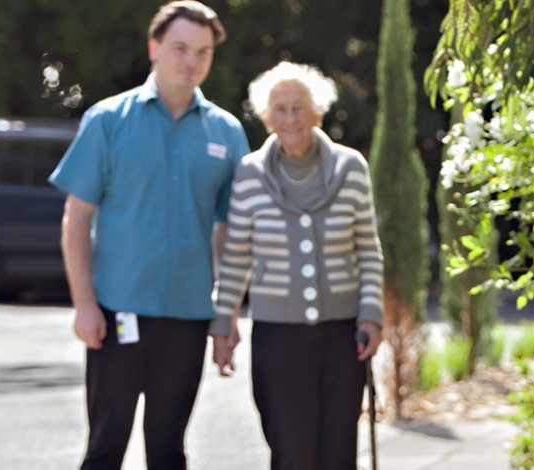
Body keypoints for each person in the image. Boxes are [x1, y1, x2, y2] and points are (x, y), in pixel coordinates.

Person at [47, 2, 249, 468]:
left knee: (167, 449)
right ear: (154, 48)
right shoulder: (108, 120)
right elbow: (76, 218)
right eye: (180, 48)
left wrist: (227, 314)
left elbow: (232, 233)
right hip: (117, 314)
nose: (191, 61)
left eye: (202, 51)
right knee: (105, 447)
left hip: (187, 317)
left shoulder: (227, 132)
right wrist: (84, 306)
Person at [209, 61, 383, 470]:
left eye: (300, 107)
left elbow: (368, 249)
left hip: (342, 337)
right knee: (291, 452)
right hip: (278, 339)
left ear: (318, 112)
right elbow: (236, 255)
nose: (291, 118)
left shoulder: (351, 168)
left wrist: (372, 315)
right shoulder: (249, 173)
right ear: (266, 116)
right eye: (280, 109)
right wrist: (223, 323)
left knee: (338, 451)